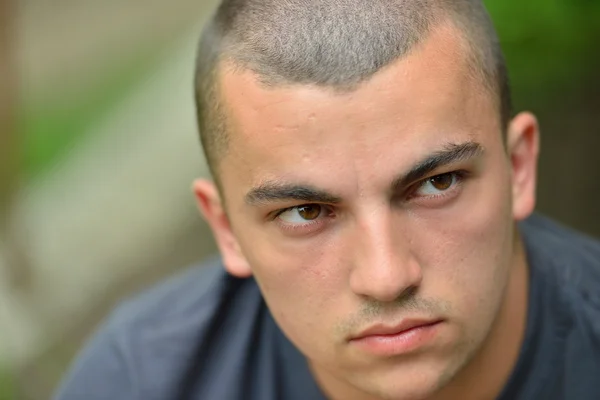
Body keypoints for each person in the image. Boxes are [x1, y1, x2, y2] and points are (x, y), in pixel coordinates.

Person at [55, 0, 600, 399]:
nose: (387, 277)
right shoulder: (139, 382)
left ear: (520, 169)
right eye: (305, 212)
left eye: (438, 183)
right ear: (225, 229)